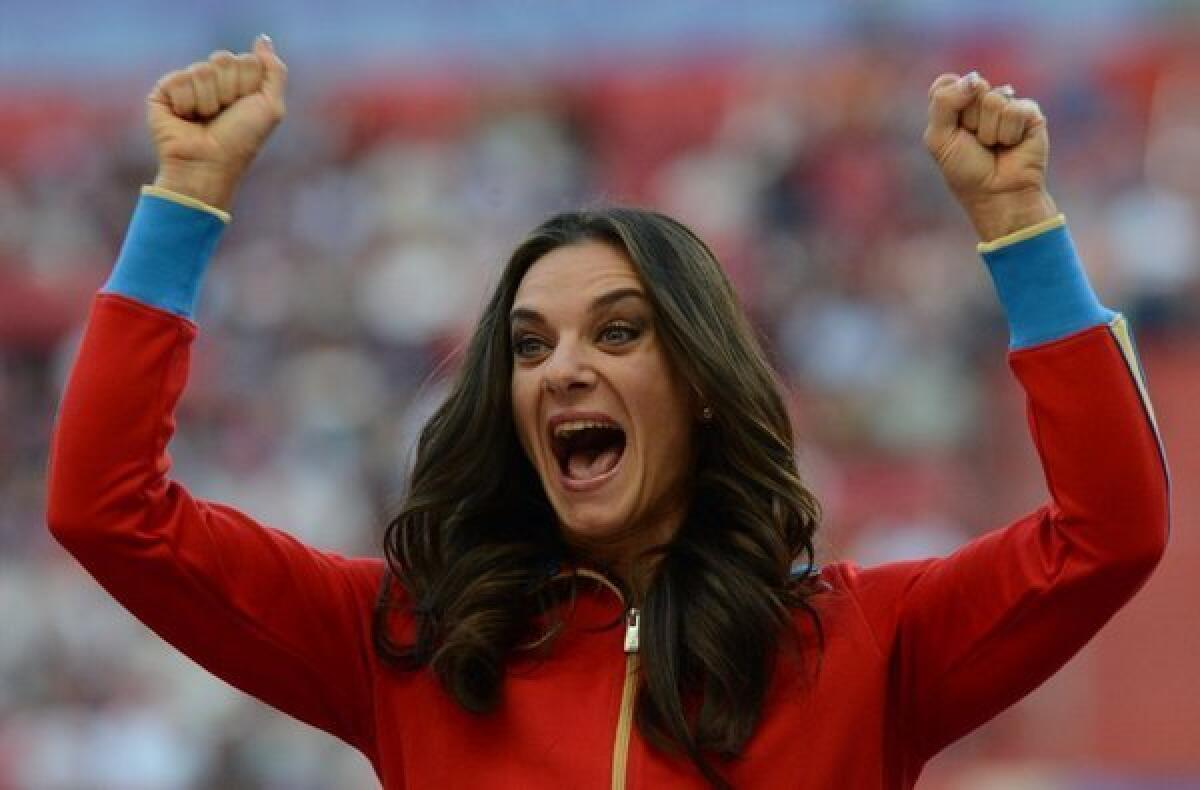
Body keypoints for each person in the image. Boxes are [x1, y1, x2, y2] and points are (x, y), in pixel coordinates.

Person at [46, 36, 1169, 790]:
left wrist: (1018, 222)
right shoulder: (403, 644)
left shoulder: (869, 644)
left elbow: (1111, 529)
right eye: (529, 346)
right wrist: (184, 199)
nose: (562, 369)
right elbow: (106, 508)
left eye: (619, 332)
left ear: (705, 392)